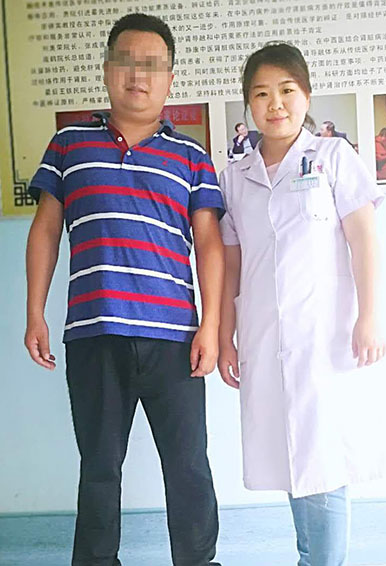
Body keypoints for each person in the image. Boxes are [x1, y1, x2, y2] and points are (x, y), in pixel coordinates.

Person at [24, 13, 224, 566]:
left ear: (170, 80)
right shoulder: (69, 145)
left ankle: (198, 560)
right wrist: (35, 312)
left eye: (152, 65)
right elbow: (45, 229)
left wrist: (210, 326)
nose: (139, 75)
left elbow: (209, 245)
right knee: (99, 467)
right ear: (108, 69)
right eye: (127, 62)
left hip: (175, 339)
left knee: (188, 466)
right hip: (96, 334)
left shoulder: (192, 157)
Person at [218, 42, 385, 566]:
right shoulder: (236, 176)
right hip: (264, 335)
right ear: (249, 104)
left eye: (287, 90)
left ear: (306, 95)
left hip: (324, 334)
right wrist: (224, 335)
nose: (275, 104)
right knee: (293, 457)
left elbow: (364, 239)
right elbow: (231, 262)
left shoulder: (334, 158)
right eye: (261, 94)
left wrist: (370, 315)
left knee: (323, 460)